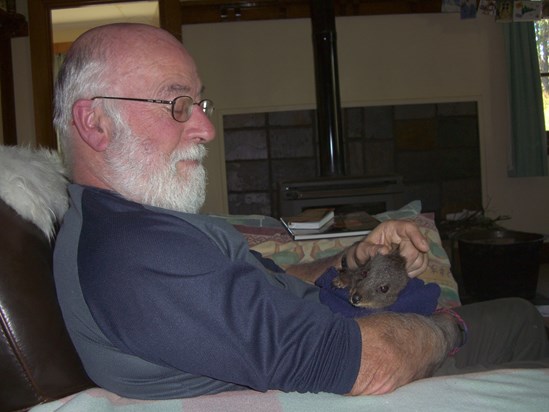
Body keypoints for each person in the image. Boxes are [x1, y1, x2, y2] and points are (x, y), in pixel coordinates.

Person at [52, 23, 549, 400]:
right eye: (177, 104)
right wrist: (450, 328)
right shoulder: (135, 252)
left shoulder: (142, 227)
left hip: (338, 328)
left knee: (517, 316)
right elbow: (358, 362)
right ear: (95, 121)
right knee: (521, 317)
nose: (206, 128)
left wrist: (351, 261)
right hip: (363, 369)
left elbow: (273, 288)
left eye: (200, 102)